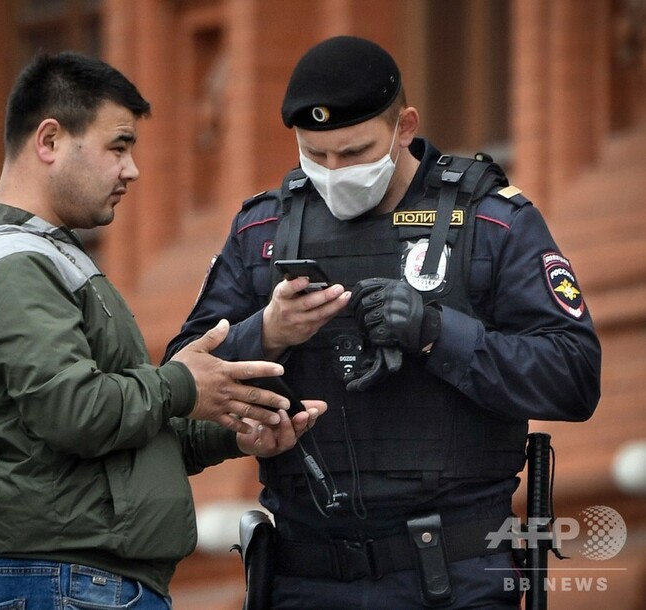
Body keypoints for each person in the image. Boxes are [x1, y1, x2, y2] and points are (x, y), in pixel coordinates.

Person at [164, 36, 602, 609]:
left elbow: (574, 376)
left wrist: (435, 333)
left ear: (404, 126)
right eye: (314, 155)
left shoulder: (491, 223)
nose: (334, 171)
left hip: (451, 575)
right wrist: (267, 332)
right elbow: (178, 377)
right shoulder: (263, 230)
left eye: (353, 153)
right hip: (304, 576)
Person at [0, 51, 326, 610]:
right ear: (49, 141)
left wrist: (232, 431)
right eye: (117, 146)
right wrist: (182, 384)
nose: (132, 169)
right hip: (60, 583)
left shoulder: (49, 259)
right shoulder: (11, 267)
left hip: (79, 579)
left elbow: (108, 444)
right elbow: (75, 412)